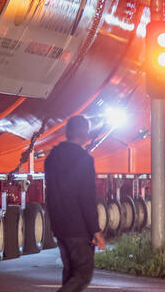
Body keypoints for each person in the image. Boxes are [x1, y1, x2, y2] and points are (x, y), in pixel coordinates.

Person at [45, 115, 105, 292]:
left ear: (68, 132)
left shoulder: (52, 158)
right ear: (85, 134)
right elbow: (86, 198)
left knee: (70, 273)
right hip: (78, 228)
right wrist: (96, 231)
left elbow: (50, 193)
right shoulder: (84, 159)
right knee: (82, 275)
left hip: (59, 225)